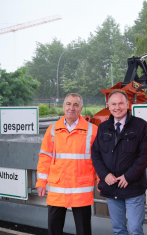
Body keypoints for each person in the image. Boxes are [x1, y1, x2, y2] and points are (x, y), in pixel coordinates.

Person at [36, 93, 98, 235]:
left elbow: (98, 159)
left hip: (80, 190)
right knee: (54, 229)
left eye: (76, 105)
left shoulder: (92, 130)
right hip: (58, 189)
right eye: (68, 104)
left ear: (81, 108)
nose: (72, 108)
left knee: (84, 231)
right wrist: (41, 182)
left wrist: (101, 181)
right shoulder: (52, 130)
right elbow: (45, 157)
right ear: (63, 107)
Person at [91, 89, 147, 235]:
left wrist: (128, 177)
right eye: (114, 104)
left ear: (128, 104)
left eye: (121, 103)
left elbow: (144, 155)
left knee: (135, 228)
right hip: (111, 187)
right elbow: (96, 154)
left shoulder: (140, 125)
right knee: (118, 230)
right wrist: (104, 175)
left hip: (132, 186)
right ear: (108, 106)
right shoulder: (103, 127)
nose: (117, 107)